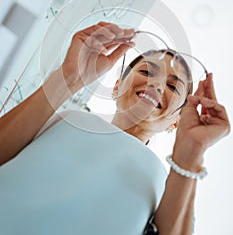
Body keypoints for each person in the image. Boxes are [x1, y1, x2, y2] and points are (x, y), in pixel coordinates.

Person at [0, 21, 230, 235]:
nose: (156, 84)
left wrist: (191, 151)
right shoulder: (64, 119)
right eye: (146, 72)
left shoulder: (169, 186)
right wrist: (69, 78)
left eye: (172, 85)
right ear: (117, 85)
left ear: (176, 121)